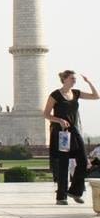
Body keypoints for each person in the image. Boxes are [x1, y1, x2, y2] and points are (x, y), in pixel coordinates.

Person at [44, 71, 99, 205]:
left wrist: (89, 82)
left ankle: (75, 191)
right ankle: (61, 197)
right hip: (61, 133)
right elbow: (46, 114)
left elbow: (96, 96)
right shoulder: (55, 95)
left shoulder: (76, 93)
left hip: (74, 131)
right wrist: (59, 121)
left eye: (75, 78)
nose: (74, 80)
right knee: (63, 164)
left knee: (83, 161)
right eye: (72, 78)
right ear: (64, 79)